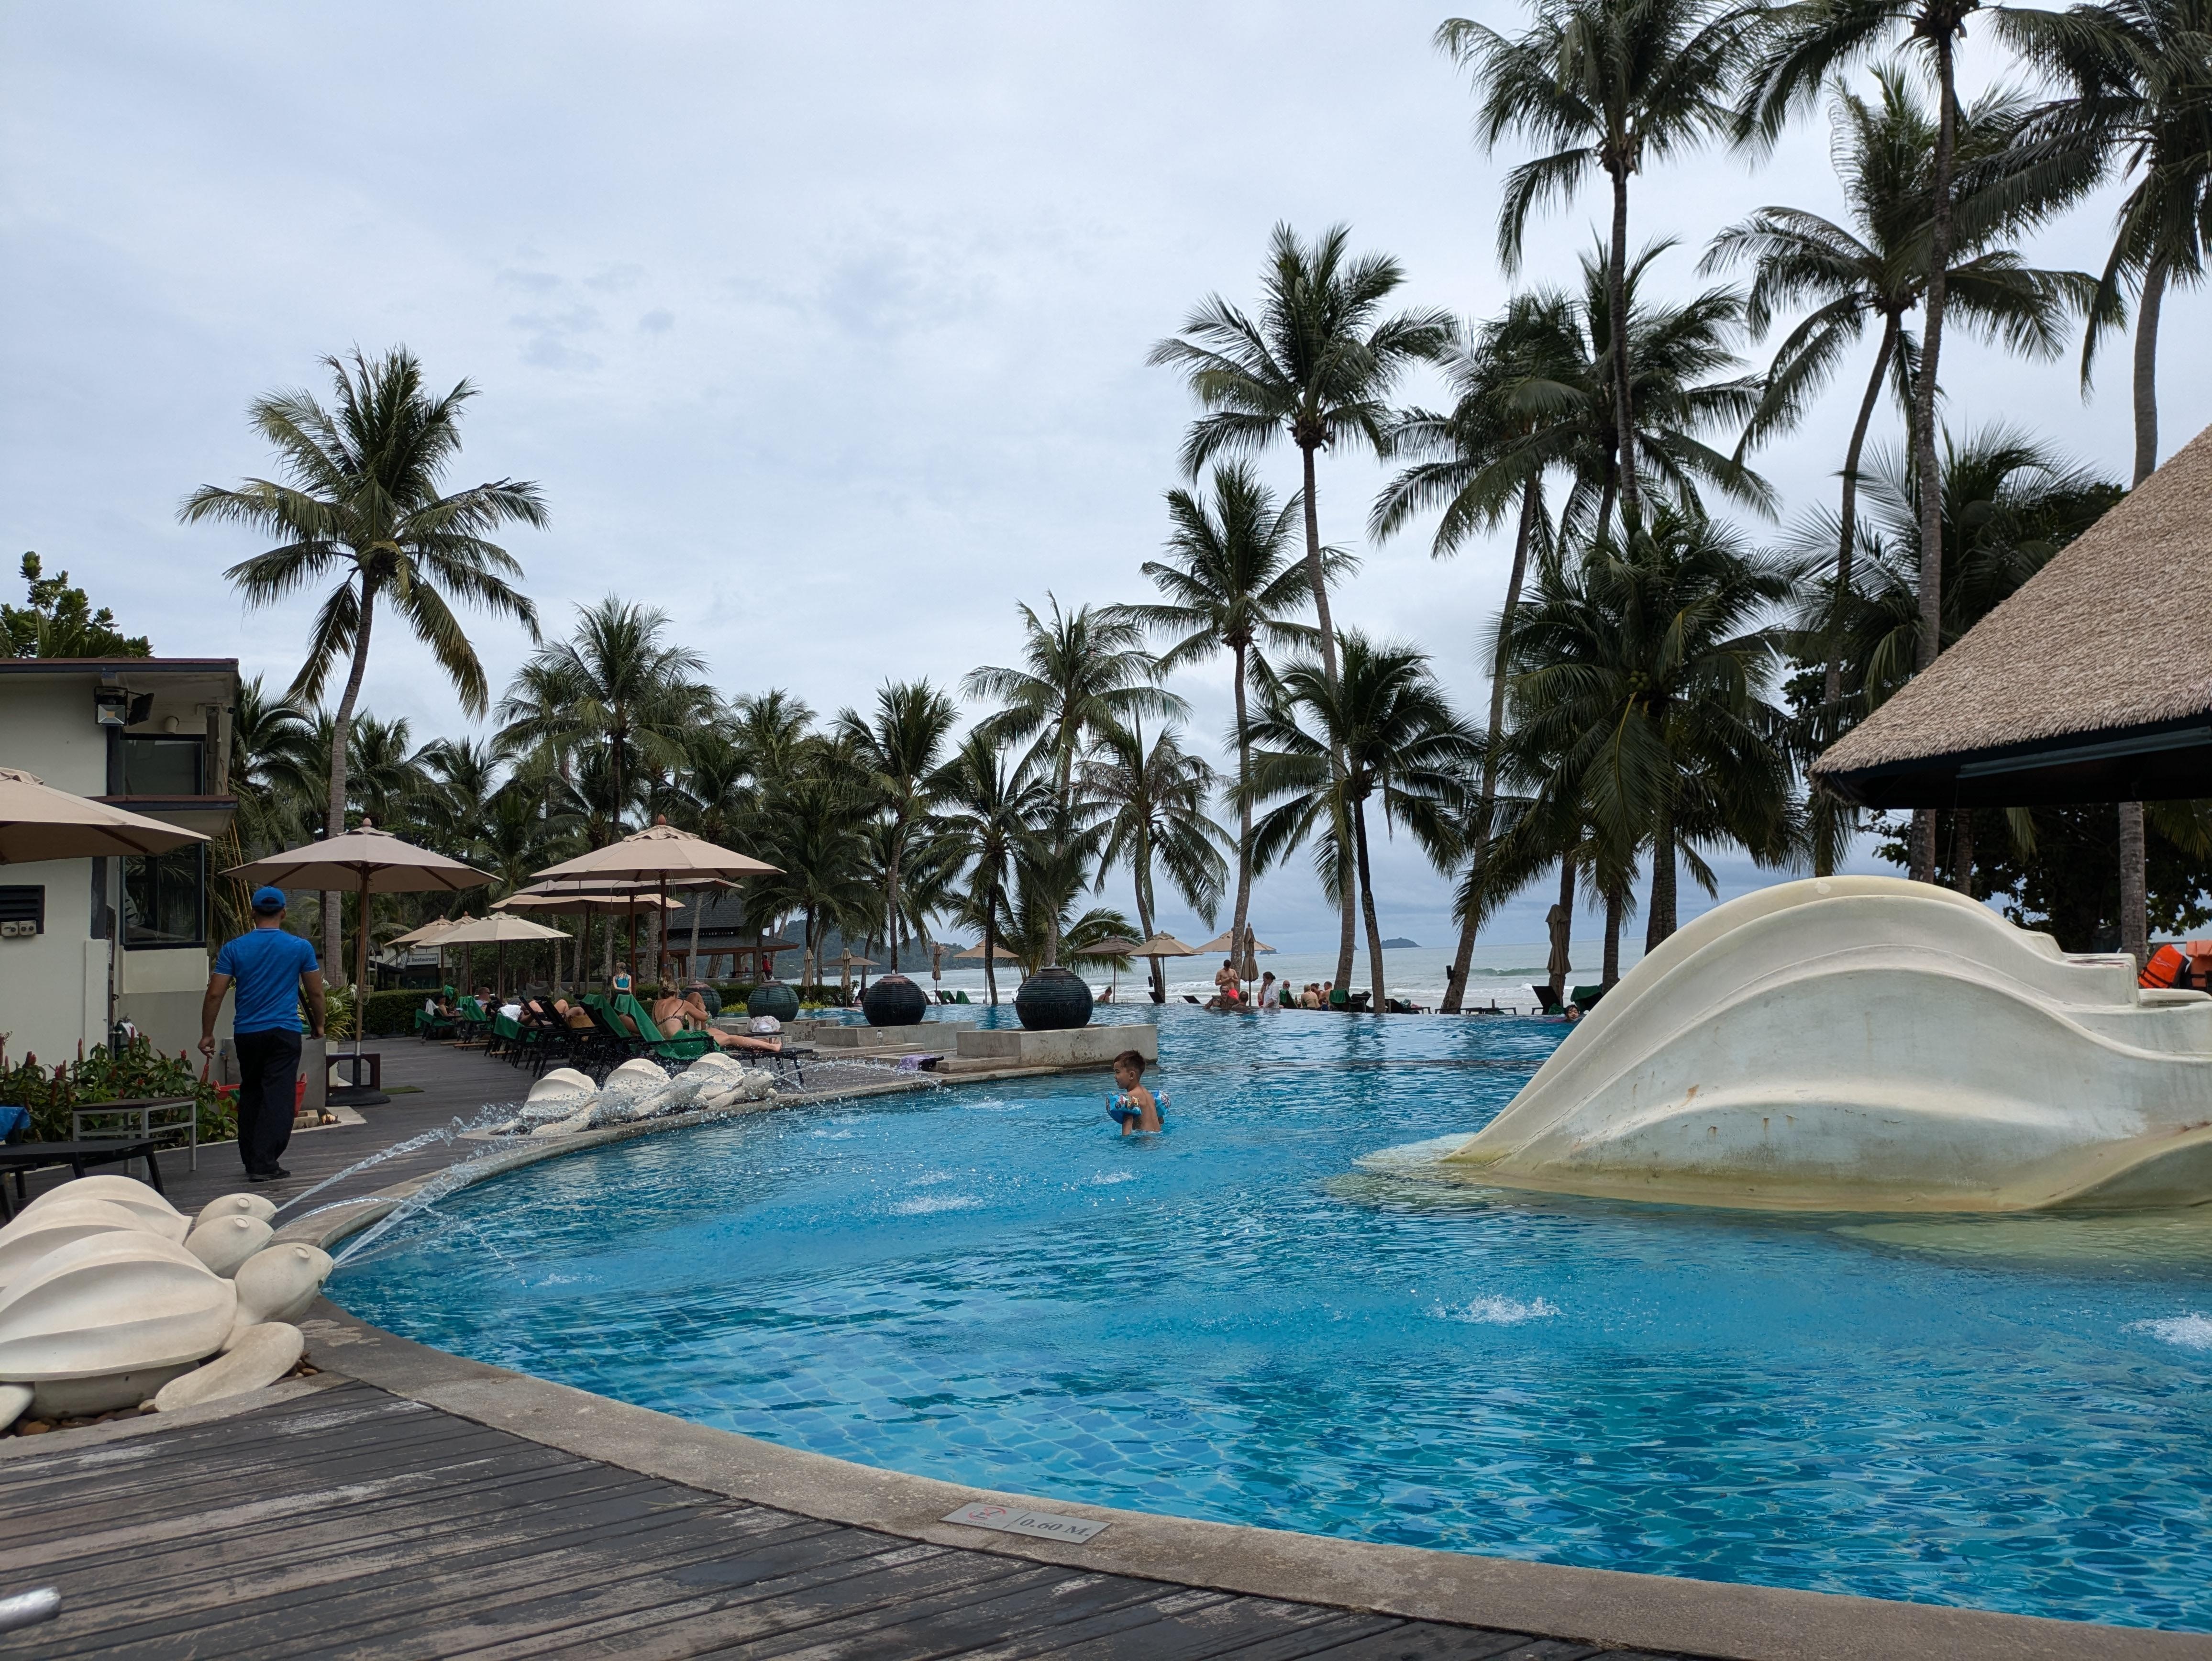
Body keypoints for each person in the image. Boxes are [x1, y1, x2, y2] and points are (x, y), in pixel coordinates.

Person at [200, 886, 325, 1184]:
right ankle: (265, 1163)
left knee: (252, 1093)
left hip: (247, 1033)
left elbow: (215, 994)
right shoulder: (300, 947)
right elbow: (315, 992)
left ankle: (252, 1159)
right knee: (278, 1096)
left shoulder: (234, 948)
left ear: (253, 913)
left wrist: (207, 1034)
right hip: (283, 1032)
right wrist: (319, 1025)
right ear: (283, 912)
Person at [1106, 1050, 1163, 1134]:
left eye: (1118, 1072)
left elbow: (1128, 1120)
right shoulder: (1148, 1094)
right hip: (1158, 1136)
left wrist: (1125, 1139)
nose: (1115, 1076)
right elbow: (1160, 1120)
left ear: (1131, 1075)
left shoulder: (1131, 1096)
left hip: (1144, 1139)